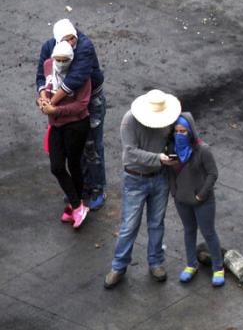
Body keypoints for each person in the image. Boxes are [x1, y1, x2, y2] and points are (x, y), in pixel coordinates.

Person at [104, 89, 181, 289]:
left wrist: (174, 154)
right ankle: (119, 266)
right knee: (129, 226)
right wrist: (159, 158)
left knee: (157, 223)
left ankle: (155, 262)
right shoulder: (129, 120)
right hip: (135, 179)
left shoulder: (168, 119)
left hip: (160, 177)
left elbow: (176, 137)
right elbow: (130, 153)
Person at [36, 19, 107, 210]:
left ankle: (98, 188)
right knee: (74, 149)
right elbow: (42, 75)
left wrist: (51, 104)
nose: (70, 43)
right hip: (62, 102)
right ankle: (80, 188)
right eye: (65, 40)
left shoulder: (84, 47)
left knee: (92, 146)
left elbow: (74, 81)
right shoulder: (49, 47)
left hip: (89, 99)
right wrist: (43, 97)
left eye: (72, 39)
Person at [165, 113, 225, 287]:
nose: (179, 135)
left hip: (203, 201)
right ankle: (191, 264)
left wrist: (201, 195)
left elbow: (212, 174)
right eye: (177, 131)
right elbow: (170, 172)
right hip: (182, 200)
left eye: (183, 131)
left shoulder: (203, 150)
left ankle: (218, 267)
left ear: (190, 131)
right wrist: (174, 192)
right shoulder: (171, 149)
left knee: (208, 232)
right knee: (189, 230)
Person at [38, 40, 91, 228]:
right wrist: (42, 101)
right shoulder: (48, 65)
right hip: (56, 125)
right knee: (57, 166)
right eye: (57, 60)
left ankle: (75, 205)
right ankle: (77, 205)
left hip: (76, 125)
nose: (60, 63)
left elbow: (81, 105)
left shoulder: (80, 74)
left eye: (64, 60)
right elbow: (43, 86)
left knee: (74, 164)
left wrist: (55, 110)